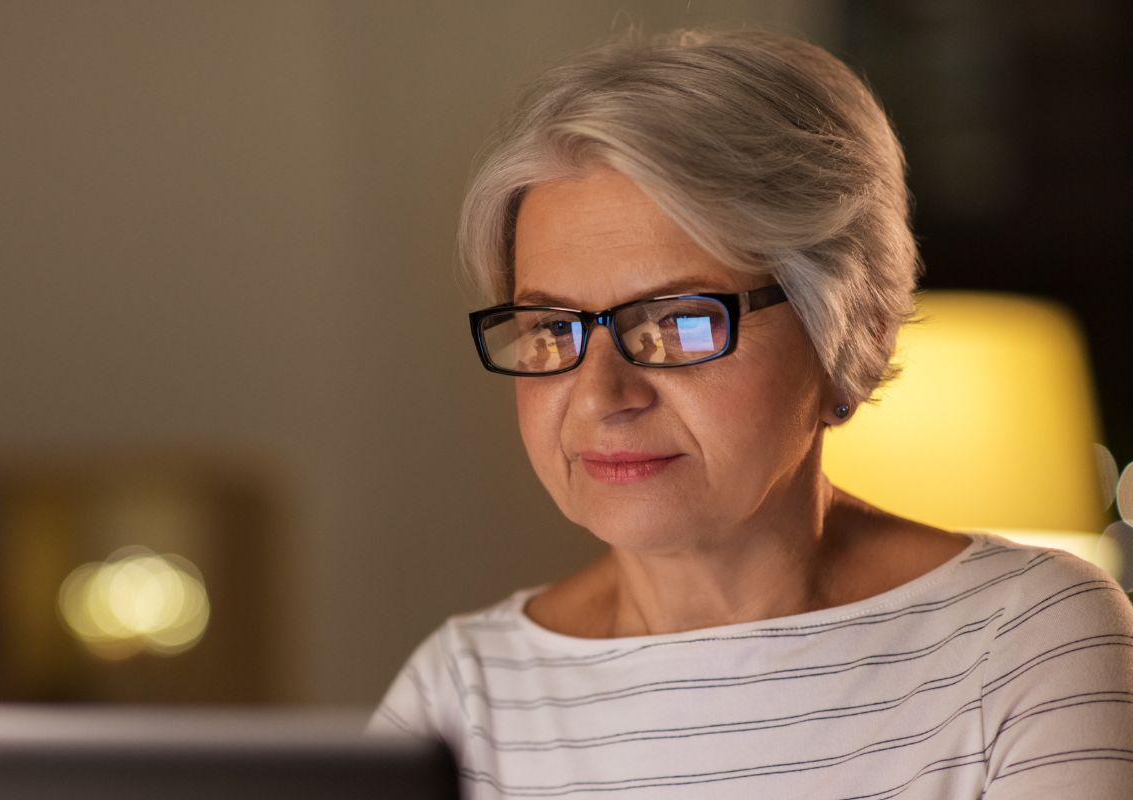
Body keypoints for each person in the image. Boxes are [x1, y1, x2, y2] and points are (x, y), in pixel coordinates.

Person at [369, 28, 1133, 799]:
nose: (602, 395)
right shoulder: (462, 694)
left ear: (851, 328)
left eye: (680, 323)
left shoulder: (1027, 643)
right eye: (552, 329)